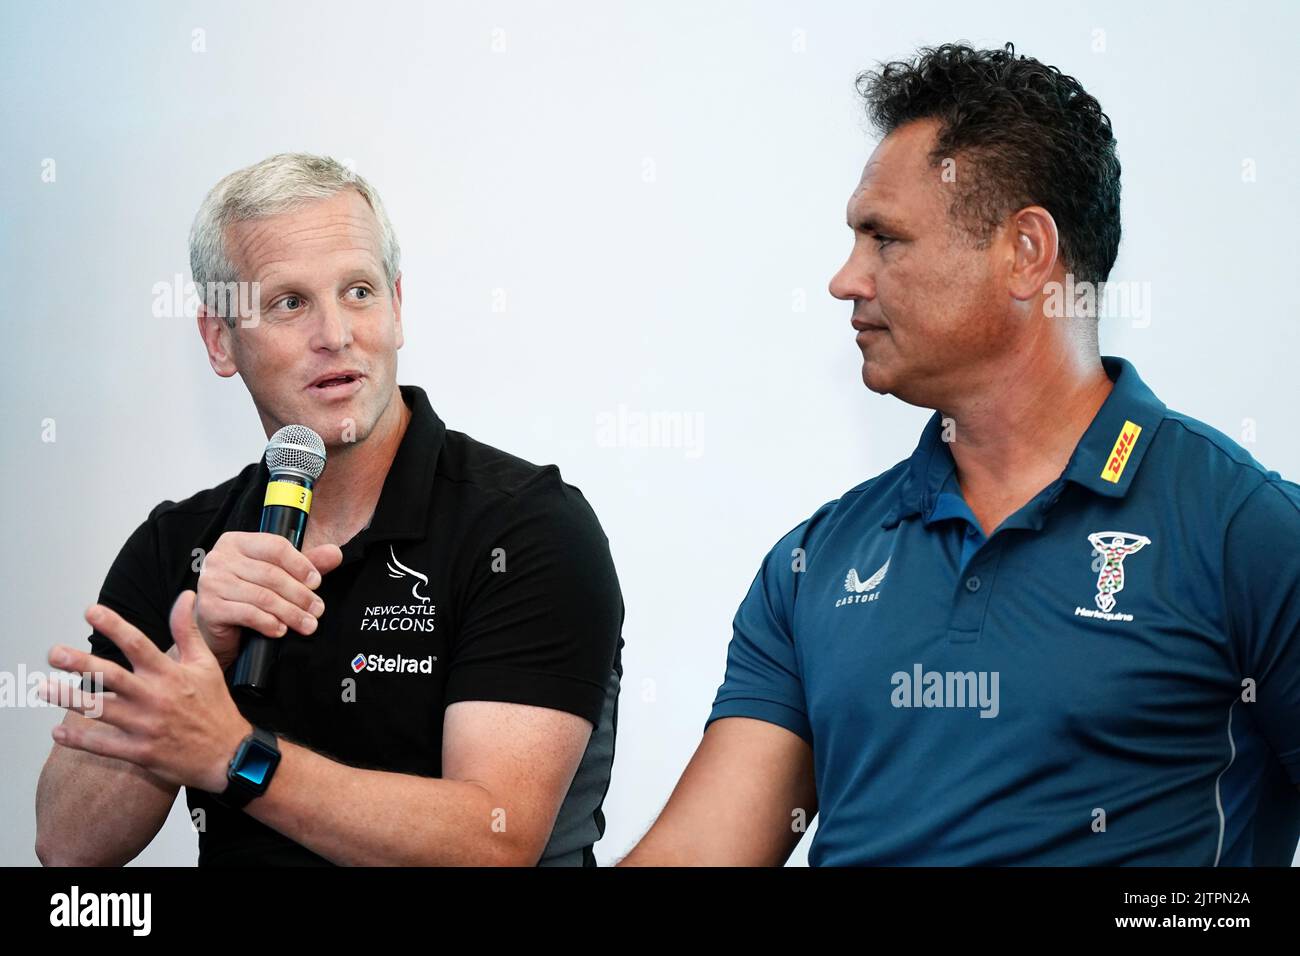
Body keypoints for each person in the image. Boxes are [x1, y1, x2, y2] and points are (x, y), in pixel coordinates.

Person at [619, 42, 1300, 866]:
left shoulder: (1245, 533)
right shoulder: (813, 563)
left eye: (885, 239)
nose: (845, 279)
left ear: (1025, 253)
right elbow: (702, 855)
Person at [34, 153, 624, 866]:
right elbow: (67, 847)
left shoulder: (527, 527)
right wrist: (202, 648)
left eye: (358, 292)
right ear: (220, 341)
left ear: (398, 308)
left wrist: (235, 756)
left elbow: (492, 840)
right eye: (288, 302)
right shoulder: (178, 547)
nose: (336, 334)